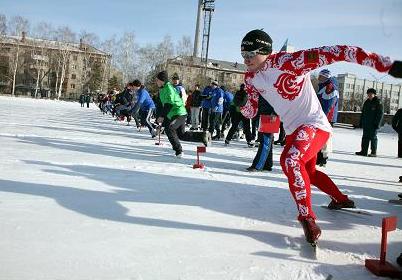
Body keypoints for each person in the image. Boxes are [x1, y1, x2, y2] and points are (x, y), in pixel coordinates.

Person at [239, 29, 402, 245]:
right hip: (294, 130)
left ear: (266, 51)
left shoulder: (292, 62)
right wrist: (241, 103)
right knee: (309, 173)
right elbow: (251, 111)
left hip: (314, 124)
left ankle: (307, 218)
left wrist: (385, 65)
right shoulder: (251, 78)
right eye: (243, 55)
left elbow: (339, 52)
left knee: (291, 160)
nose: (247, 60)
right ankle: (341, 200)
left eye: (251, 55)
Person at [155, 71, 211, 157]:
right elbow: (161, 104)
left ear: (162, 80)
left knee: (169, 129)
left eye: (157, 80)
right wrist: (159, 117)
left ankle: (179, 151)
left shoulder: (168, 88)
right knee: (182, 135)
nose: (156, 82)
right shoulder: (163, 89)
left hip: (179, 113)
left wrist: (162, 116)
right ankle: (202, 136)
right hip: (173, 113)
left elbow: (169, 104)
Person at [247, 95, 277, 172]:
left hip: (269, 116)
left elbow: (279, 101)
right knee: (266, 142)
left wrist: (274, 113)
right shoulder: (263, 88)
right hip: (263, 115)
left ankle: (258, 165)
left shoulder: (271, 88)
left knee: (265, 142)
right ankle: (267, 164)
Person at [316, 69, 339, 166]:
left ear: (326, 77)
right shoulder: (324, 86)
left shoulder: (329, 87)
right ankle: (319, 157)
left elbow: (328, 105)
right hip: (323, 117)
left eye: (321, 76)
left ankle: (323, 158)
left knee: (324, 138)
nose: (319, 78)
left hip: (326, 118)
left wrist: (322, 118)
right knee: (319, 138)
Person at [355, 88, 383, 157]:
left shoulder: (378, 102)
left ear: (374, 94)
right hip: (366, 123)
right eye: (368, 94)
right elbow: (363, 113)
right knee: (365, 137)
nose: (369, 95)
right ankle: (363, 151)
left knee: (373, 137)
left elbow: (380, 114)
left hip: (373, 124)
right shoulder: (366, 102)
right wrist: (361, 122)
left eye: (371, 94)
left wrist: (377, 123)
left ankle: (373, 152)